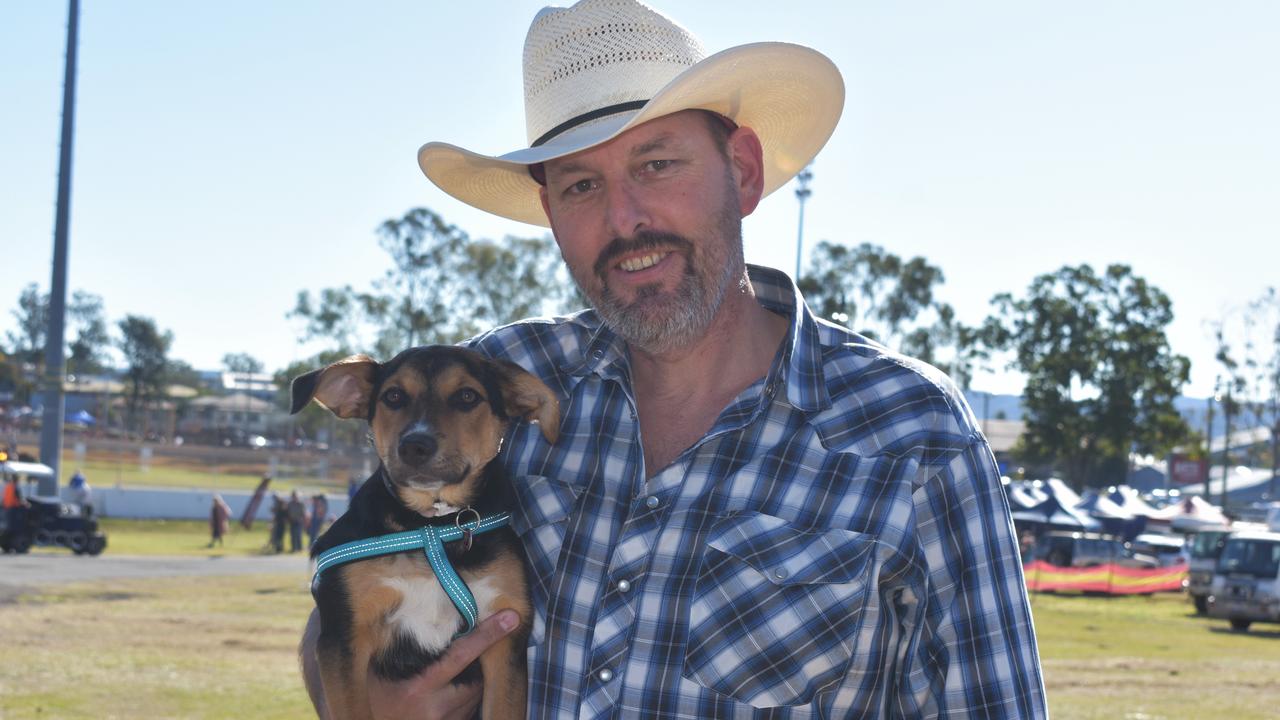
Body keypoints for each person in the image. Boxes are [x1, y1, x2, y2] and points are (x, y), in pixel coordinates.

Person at [302, 1, 1047, 717]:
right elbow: (342, 604)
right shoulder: (504, 379)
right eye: (582, 186)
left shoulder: (914, 434)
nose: (625, 220)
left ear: (744, 172)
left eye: (657, 165)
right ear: (553, 216)